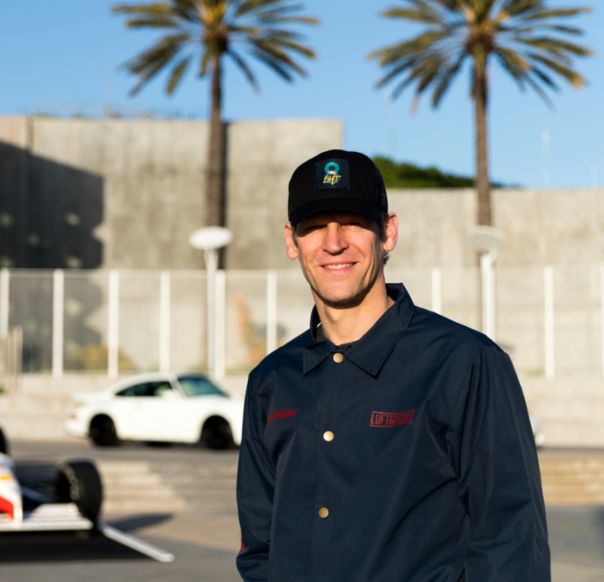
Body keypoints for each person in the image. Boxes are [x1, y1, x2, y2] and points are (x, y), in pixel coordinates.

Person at [235, 149, 549, 581]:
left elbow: (511, 540)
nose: (333, 242)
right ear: (292, 241)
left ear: (388, 232)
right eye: (315, 226)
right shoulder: (271, 380)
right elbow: (259, 546)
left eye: (353, 222)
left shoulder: (465, 363)